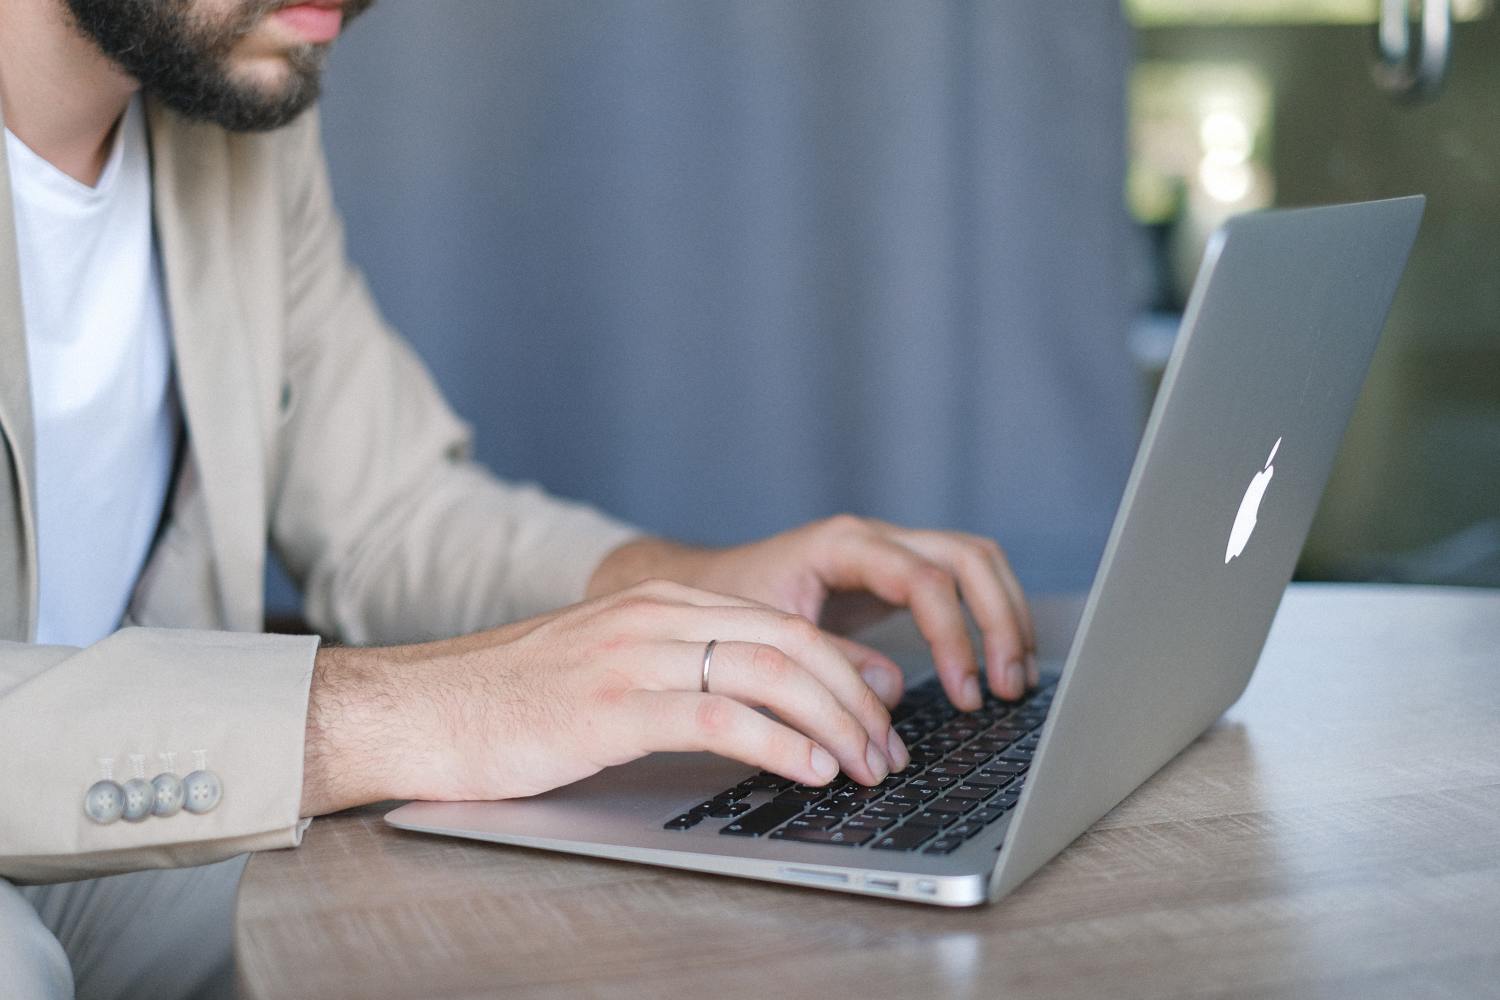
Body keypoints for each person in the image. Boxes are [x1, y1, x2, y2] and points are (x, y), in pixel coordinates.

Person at [0, 1, 1037, 996]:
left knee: (625, 905)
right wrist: (408, 712)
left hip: (124, 816)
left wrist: (692, 592)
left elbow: (387, 514)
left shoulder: (233, 110)